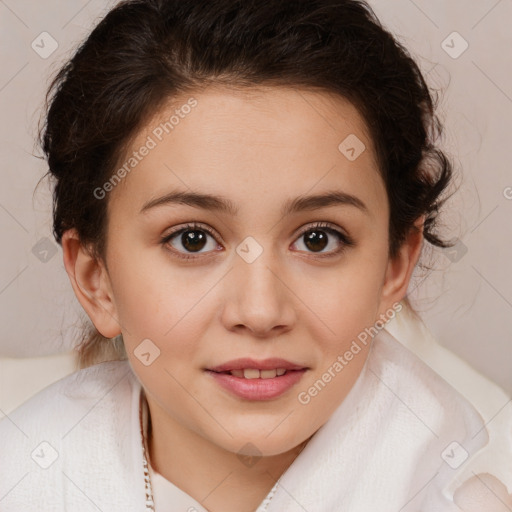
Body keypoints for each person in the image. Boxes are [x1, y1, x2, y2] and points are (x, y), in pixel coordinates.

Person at [0, 0, 510, 510]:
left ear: (394, 267)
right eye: (192, 239)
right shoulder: (26, 478)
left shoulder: (460, 494)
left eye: (318, 239)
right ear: (97, 281)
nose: (261, 311)